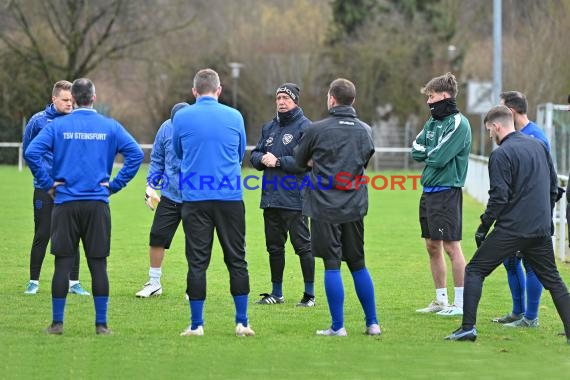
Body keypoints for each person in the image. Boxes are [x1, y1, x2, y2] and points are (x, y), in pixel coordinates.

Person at [24, 78, 144, 335]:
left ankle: (57, 324)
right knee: (98, 265)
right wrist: (114, 185)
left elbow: (31, 152)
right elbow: (135, 154)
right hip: (97, 204)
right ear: (94, 98)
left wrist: (47, 183)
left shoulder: (58, 126)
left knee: (62, 264)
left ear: (74, 99)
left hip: (65, 203)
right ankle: (101, 325)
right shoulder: (109, 126)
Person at [445, 105, 570, 343]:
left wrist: (484, 227)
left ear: (496, 126)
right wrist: (546, 220)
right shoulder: (539, 146)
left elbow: (499, 198)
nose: (490, 135)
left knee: (474, 271)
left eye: (489, 130)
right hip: (540, 229)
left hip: (513, 229)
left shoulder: (501, 155)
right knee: (554, 280)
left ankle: (468, 328)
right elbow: (554, 188)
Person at [295, 78, 380, 336]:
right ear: (353, 101)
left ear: (331, 99)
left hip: (324, 206)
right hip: (354, 205)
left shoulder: (317, 130)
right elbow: (364, 160)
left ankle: (338, 327)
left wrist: (315, 162)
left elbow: (299, 161)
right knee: (358, 263)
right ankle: (372, 324)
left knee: (332, 264)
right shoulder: (365, 129)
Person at [172, 68, 254, 337]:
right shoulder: (235, 115)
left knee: (197, 262)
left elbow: (178, 151)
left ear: (194, 91)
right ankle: (242, 322)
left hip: (195, 198)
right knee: (237, 259)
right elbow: (241, 151)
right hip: (229, 197)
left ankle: (196, 325)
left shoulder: (182, 117)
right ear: (219, 91)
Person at [411, 72, 472, 316]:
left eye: (432, 96)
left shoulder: (458, 123)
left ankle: (460, 304)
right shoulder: (432, 122)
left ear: (445, 96)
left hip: (447, 191)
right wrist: (428, 152)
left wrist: (429, 153)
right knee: (431, 246)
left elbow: (438, 157)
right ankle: (441, 300)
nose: (428, 101)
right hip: (428, 191)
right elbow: (416, 149)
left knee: (451, 247)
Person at [250, 83, 315, 307]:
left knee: (303, 247)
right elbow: (254, 155)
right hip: (270, 198)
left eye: (286, 98)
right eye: (278, 98)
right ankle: (276, 293)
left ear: (295, 101)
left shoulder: (306, 127)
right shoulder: (269, 128)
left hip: (295, 198)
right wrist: (262, 159)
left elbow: (306, 161)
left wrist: (277, 161)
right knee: (274, 247)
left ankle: (309, 295)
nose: (281, 102)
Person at [22, 80, 89, 296]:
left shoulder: (78, 121)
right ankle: (33, 281)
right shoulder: (38, 121)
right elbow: (28, 151)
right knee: (42, 233)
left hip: (71, 189)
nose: (70, 104)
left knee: (73, 234)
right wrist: (43, 178)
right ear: (54, 99)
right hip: (45, 188)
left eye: (72, 100)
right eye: (66, 100)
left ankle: (74, 283)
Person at [491, 91, 550, 327]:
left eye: (502, 110)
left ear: (512, 113)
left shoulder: (536, 138)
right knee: (510, 260)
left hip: (530, 215)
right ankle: (518, 312)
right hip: (513, 213)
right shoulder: (517, 136)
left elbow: (545, 180)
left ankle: (531, 317)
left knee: (531, 264)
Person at [135, 102, 190, 298]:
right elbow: (157, 159)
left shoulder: (200, 128)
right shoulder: (166, 128)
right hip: (170, 195)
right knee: (157, 236)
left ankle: (194, 286)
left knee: (196, 242)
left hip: (196, 197)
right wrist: (150, 187)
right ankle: (154, 283)